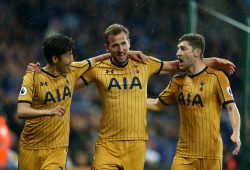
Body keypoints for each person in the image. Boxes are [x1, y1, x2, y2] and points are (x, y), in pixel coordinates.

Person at [75, 24, 236, 170]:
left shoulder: (144, 63)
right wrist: (99, 58)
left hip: (136, 145)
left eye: (124, 44)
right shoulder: (98, 69)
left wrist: (212, 61)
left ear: (129, 42)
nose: (121, 49)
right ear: (107, 47)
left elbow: (176, 65)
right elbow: (70, 83)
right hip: (107, 144)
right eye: (115, 45)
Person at [17, 34, 146, 170]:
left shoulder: (73, 70)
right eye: (68, 56)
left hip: (58, 148)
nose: (72, 59)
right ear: (55, 59)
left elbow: (98, 59)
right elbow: (21, 111)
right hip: (30, 146)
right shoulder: (32, 77)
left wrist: (128, 53)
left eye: (72, 54)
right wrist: (49, 112)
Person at [147, 33, 241, 170]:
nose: (178, 52)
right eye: (178, 48)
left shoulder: (217, 77)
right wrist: (133, 100)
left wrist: (236, 132)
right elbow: (157, 104)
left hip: (211, 154)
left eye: (183, 49)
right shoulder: (177, 81)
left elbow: (232, 108)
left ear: (197, 52)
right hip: (184, 154)